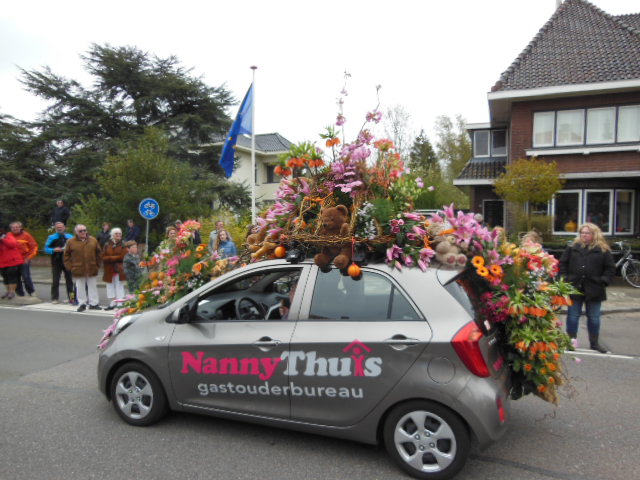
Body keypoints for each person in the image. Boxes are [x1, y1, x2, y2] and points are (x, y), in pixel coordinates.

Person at [559, 222, 615, 353]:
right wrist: (565, 278)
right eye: (582, 233)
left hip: (595, 288)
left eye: (587, 233)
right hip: (574, 286)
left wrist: (603, 281)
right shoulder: (572, 248)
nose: (584, 235)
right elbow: (562, 263)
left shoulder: (603, 250)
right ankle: (570, 342)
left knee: (594, 317)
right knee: (573, 316)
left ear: (594, 234)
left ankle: (594, 343)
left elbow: (610, 268)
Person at [64, 224, 102, 312]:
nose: (83, 232)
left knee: (92, 286)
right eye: (81, 231)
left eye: (85, 230)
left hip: (91, 267)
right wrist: (70, 267)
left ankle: (94, 304)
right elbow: (66, 255)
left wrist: (97, 264)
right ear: (76, 232)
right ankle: (82, 304)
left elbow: (99, 253)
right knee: (80, 287)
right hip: (78, 268)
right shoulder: (70, 242)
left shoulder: (93, 240)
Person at [44, 222, 75, 304]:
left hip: (67, 261)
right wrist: (53, 250)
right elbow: (46, 249)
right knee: (55, 280)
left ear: (64, 227)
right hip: (56, 262)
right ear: (55, 228)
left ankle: (72, 298)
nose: (59, 228)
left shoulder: (70, 237)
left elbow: (75, 247)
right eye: (58, 227)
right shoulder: (51, 237)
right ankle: (54, 298)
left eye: (61, 227)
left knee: (70, 281)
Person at [9, 221, 38, 297]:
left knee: (26, 276)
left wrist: (29, 258)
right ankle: (20, 293)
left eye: (16, 227)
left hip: (24, 260)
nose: (15, 229)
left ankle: (31, 292)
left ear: (20, 228)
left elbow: (34, 247)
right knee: (15, 277)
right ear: (11, 228)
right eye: (13, 227)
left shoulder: (26, 235)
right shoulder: (8, 236)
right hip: (13, 261)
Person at [102, 227, 127, 310]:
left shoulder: (123, 244)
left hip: (119, 269)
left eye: (120, 233)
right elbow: (103, 256)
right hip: (109, 268)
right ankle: (112, 302)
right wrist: (111, 258)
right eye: (116, 234)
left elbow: (123, 256)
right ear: (112, 235)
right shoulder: (107, 244)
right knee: (109, 286)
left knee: (119, 286)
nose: (119, 235)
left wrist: (110, 258)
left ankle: (120, 303)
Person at [0, 227, 24, 300]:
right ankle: (8, 291)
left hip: (12, 261)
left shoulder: (8, 236)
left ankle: (12, 292)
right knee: (5, 277)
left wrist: (2, 239)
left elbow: (12, 244)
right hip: (2, 262)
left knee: (12, 276)